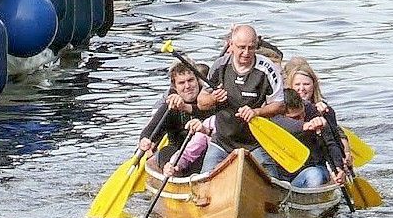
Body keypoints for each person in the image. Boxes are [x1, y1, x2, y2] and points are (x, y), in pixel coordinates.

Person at [197, 25, 286, 174]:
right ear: (231, 45)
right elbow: (201, 102)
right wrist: (213, 98)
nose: (246, 53)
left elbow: (279, 106)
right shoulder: (220, 65)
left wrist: (256, 112)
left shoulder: (267, 69)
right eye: (241, 47)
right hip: (222, 142)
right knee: (204, 180)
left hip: (255, 142)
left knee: (272, 180)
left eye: (251, 48)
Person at [256, 89, 346, 187]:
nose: (301, 118)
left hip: (312, 169)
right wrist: (305, 126)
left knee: (314, 175)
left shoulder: (312, 110)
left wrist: (339, 168)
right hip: (280, 174)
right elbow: (279, 122)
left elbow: (330, 143)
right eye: (295, 118)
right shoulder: (271, 117)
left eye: (302, 114)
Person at [138, 61, 212, 177]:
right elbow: (150, 130)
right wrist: (145, 140)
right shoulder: (171, 105)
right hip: (176, 150)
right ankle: (174, 173)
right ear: (175, 87)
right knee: (165, 152)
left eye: (191, 80)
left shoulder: (210, 99)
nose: (187, 86)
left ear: (198, 80)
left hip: (206, 152)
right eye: (182, 83)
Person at [283, 57, 353, 169]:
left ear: (314, 85)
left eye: (306, 84)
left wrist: (346, 153)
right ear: (290, 85)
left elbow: (335, 135)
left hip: (316, 159)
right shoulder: (281, 106)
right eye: (297, 85)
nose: (301, 89)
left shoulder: (323, 108)